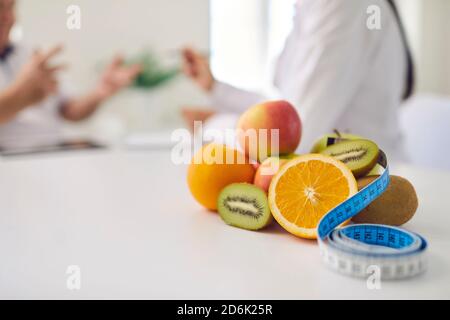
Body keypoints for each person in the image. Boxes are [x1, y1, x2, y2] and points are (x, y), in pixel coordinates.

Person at [182, 0, 414, 160]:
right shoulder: (311, 8)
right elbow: (287, 110)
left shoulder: (345, 6)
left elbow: (295, 139)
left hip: (369, 190)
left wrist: (215, 126)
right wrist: (215, 88)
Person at [0, 0, 141, 145]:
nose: (8, 18)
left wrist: (100, 92)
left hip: (52, 151)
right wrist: (22, 95)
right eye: (0, 8)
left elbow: (70, 110)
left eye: (11, 8)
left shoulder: (30, 54)